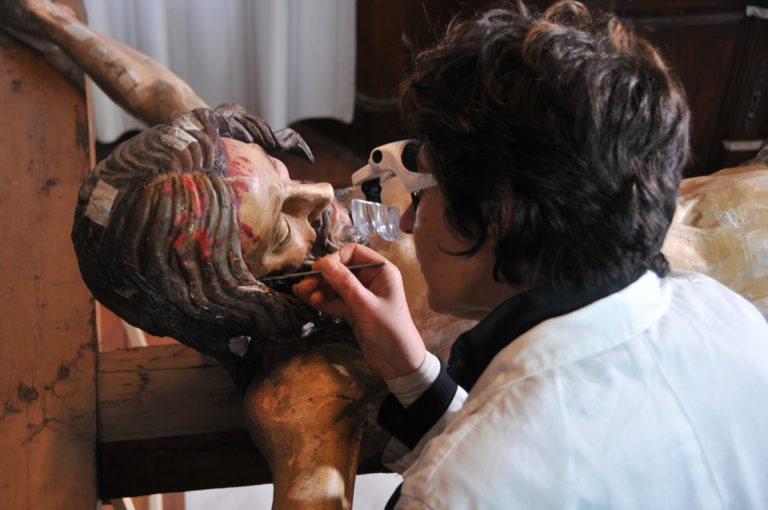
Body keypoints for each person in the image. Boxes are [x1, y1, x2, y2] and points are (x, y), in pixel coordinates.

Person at [293, 1, 768, 508]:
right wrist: (410, 371)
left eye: (422, 191)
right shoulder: (732, 317)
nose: (408, 221)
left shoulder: (454, 491)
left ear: (495, 214)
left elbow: (495, 468)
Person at [71, 104, 364, 388]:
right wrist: (408, 366)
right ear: (247, 296)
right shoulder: (298, 395)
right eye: (283, 231)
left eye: (279, 169)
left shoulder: (214, 167)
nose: (323, 192)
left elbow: (150, 88)